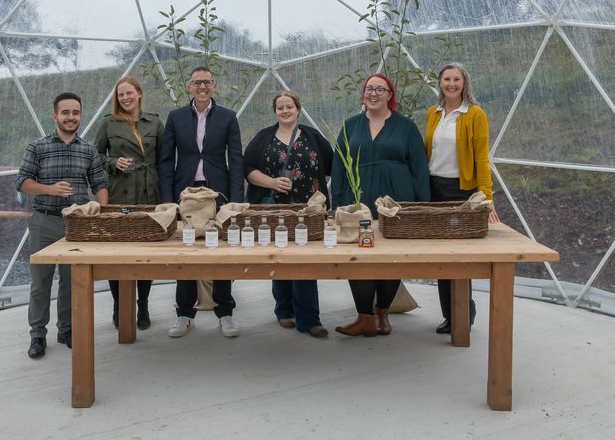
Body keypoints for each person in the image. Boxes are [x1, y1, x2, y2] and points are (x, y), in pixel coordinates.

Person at [331, 74, 430, 337]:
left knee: (392, 256)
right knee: (358, 255)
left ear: (390, 95)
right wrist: (338, 204)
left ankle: (382, 313)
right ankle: (364, 316)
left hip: (396, 200)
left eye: (380, 89)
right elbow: (339, 165)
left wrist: (422, 206)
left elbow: (419, 168)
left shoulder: (406, 127)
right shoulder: (350, 125)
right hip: (358, 200)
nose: (373, 94)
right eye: (369, 89)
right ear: (363, 94)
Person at [16, 92, 108, 359]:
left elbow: (100, 184)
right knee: (40, 282)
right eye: (66, 112)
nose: (71, 117)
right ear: (55, 116)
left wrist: (99, 212)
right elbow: (22, 182)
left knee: (72, 281)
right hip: (44, 221)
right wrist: (50, 189)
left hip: (77, 226)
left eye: (76, 112)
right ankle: (37, 335)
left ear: (81, 115)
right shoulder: (38, 147)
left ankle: (66, 330)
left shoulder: (88, 150)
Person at [158, 66, 244, 338]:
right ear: (189, 87)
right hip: (185, 194)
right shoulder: (176, 117)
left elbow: (237, 160)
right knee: (184, 253)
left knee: (220, 252)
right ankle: (184, 314)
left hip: (217, 193)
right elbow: (165, 161)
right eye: (197, 82)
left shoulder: (228, 118)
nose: (202, 87)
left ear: (214, 85)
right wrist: (167, 201)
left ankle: (225, 313)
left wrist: (235, 201)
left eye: (207, 82)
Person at [243, 91, 334, 339]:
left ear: (298, 109)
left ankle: (309, 319)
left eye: (289, 106)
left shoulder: (313, 136)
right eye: (280, 107)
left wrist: (312, 188)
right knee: (279, 258)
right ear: (275, 111)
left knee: (305, 262)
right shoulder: (264, 137)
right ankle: (284, 310)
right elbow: (248, 169)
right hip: (274, 210)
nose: (285, 111)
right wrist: (272, 182)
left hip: (308, 211)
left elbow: (331, 163)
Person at [423, 62, 501, 335]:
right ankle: (449, 315)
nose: (451, 84)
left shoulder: (474, 114)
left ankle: (463, 312)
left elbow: (481, 157)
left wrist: (486, 196)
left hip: (460, 191)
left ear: (464, 83)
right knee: (440, 257)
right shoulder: (433, 113)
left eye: (456, 79)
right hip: (434, 190)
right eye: (446, 79)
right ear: (440, 83)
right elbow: (428, 153)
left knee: (458, 256)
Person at [94, 76, 163, 331]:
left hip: (149, 192)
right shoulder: (108, 124)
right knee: (117, 253)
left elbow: (164, 159)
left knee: (146, 254)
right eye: (120, 94)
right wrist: (113, 163)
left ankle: (142, 304)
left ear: (139, 94)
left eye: (129, 93)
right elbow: (96, 155)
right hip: (120, 193)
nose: (125, 98)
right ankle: (119, 304)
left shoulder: (154, 122)